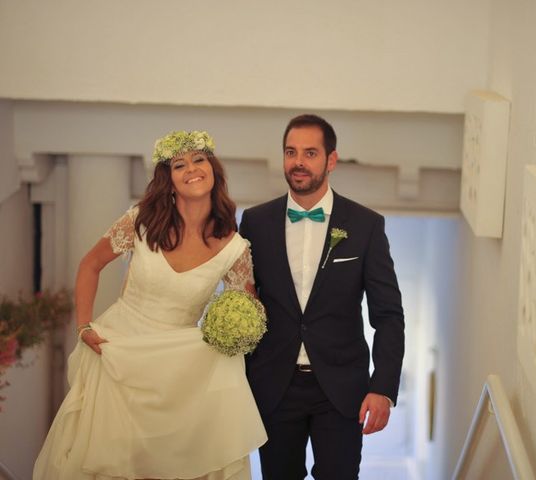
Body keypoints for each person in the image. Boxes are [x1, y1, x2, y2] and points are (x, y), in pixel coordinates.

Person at [34, 131, 267, 480]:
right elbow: (90, 265)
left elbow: (246, 309)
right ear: (168, 180)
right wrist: (83, 325)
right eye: (179, 164)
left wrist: (240, 327)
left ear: (213, 170)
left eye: (199, 160)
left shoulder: (234, 247)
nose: (192, 168)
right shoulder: (141, 220)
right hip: (119, 354)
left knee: (172, 464)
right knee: (110, 462)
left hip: (179, 369)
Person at [240, 114, 405, 480]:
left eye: (310, 153)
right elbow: (244, 304)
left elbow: (389, 315)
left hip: (341, 389)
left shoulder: (365, 225)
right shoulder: (254, 222)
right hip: (275, 387)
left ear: (331, 160)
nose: (298, 162)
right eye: (291, 152)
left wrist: (383, 388)